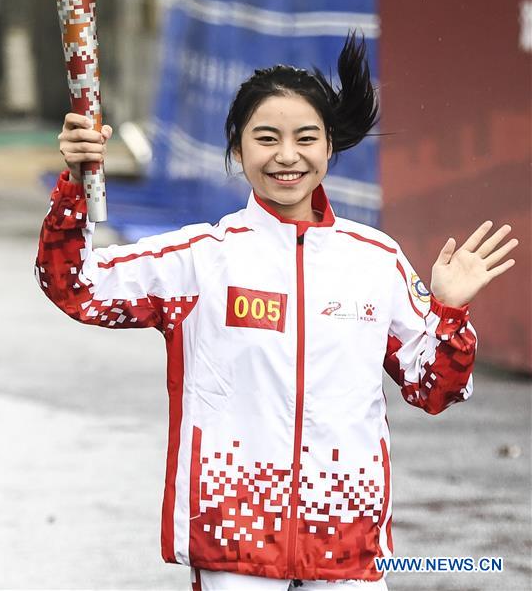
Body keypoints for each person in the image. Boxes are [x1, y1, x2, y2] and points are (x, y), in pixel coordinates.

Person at [35, 32, 517, 591]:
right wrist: (75, 183)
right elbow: (76, 286)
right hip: (234, 541)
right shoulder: (201, 259)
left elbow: (435, 390)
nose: (287, 156)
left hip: (347, 546)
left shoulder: (375, 261)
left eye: (305, 138)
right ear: (238, 151)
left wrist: (449, 314)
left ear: (329, 147)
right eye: (267, 138)